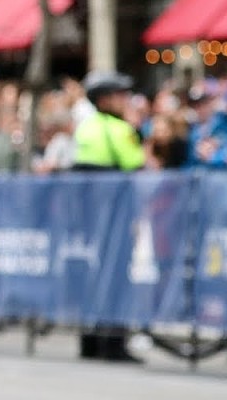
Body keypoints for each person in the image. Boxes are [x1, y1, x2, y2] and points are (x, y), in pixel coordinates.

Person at [71, 70, 144, 362]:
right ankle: (114, 343)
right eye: (119, 95)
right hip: (116, 213)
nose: (125, 100)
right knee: (116, 275)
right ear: (104, 100)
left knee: (92, 273)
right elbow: (135, 163)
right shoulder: (119, 129)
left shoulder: (85, 127)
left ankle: (89, 342)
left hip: (90, 215)